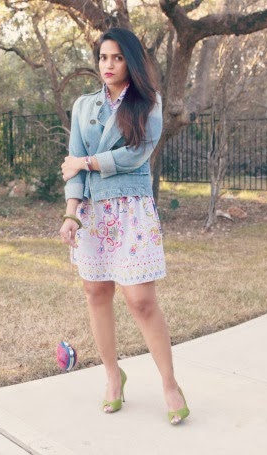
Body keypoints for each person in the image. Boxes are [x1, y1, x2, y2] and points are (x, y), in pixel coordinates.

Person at [59, 28, 190, 425]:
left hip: (131, 209)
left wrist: (86, 162)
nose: (109, 65)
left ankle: (170, 384)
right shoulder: (84, 106)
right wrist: (70, 213)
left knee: (140, 300)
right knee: (96, 293)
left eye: (117, 58)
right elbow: (73, 167)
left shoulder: (149, 104)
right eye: (103, 57)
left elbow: (134, 155)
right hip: (92, 212)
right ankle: (113, 378)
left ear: (130, 61)